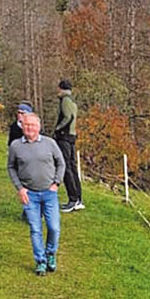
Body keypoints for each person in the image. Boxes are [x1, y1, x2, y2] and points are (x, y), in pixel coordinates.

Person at [8, 110, 66, 275]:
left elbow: (61, 163)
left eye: (32, 125)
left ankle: (50, 254)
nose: (29, 128)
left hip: (49, 193)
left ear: (39, 127)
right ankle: (40, 261)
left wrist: (56, 183)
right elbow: (11, 167)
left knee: (54, 227)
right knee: (35, 229)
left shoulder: (50, 143)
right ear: (22, 126)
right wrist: (20, 188)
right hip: (29, 195)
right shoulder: (16, 146)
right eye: (26, 125)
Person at [55, 80, 83, 212]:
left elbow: (67, 117)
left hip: (65, 136)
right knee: (72, 166)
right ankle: (78, 198)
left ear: (61, 88)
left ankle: (72, 199)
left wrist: (58, 129)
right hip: (72, 136)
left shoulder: (65, 100)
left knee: (65, 167)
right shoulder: (72, 100)